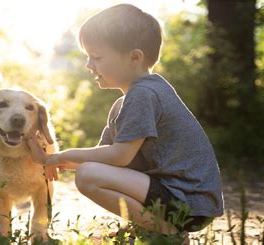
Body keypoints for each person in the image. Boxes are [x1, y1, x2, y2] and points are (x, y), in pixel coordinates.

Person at [27, 3, 224, 235]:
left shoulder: (144, 94)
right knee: (90, 172)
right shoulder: (125, 103)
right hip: (175, 197)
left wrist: (63, 156)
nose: (89, 65)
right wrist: (53, 160)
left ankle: (166, 234)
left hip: (189, 202)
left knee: (87, 176)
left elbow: (119, 157)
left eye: (96, 57)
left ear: (134, 57)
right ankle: (150, 228)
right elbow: (103, 160)